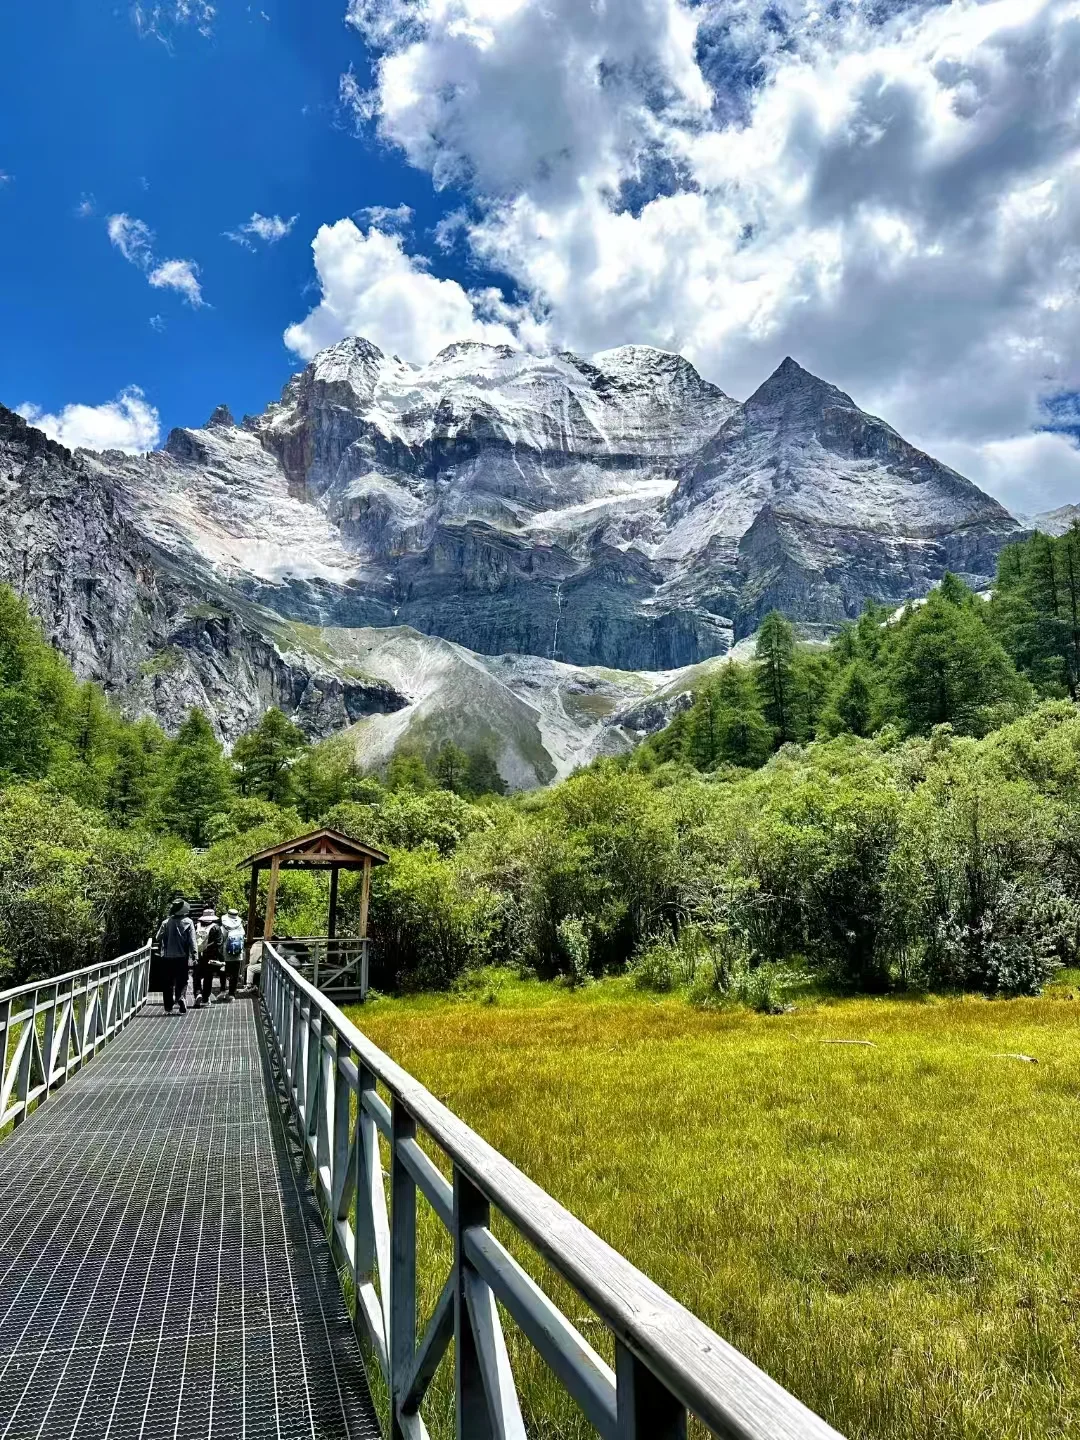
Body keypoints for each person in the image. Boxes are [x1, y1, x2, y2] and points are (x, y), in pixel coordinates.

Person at [155, 898, 196, 1014]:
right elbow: (192, 940)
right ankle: (181, 997)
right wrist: (195, 955)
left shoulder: (166, 922)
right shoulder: (188, 922)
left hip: (167, 957)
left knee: (167, 982)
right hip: (182, 956)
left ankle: (168, 1008)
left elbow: (158, 937)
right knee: (182, 980)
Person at [214, 908, 246, 1004]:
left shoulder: (224, 925)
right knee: (235, 974)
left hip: (225, 952)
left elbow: (221, 938)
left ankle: (223, 990)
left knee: (223, 971)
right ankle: (232, 994)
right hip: (237, 953)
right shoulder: (240, 924)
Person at [193, 907, 224, 1008]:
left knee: (196, 976)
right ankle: (205, 999)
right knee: (208, 978)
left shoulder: (196, 926)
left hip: (198, 955)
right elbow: (219, 943)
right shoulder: (216, 927)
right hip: (210, 956)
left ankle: (198, 993)